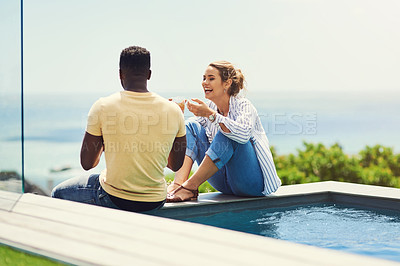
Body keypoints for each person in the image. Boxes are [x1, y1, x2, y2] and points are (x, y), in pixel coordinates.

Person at [52, 46, 186, 212]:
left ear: (120, 74)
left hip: (115, 198)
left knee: (58, 193)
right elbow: (175, 165)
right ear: (149, 74)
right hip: (155, 200)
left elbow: (87, 163)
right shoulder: (174, 110)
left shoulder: (103, 106)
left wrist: (106, 138)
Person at [167, 61, 281, 202]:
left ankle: (189, 187)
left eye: (211, 78)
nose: (205, 83)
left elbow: (243, 134)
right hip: (224, 183)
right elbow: (189, 135)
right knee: (191, 125)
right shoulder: (210, 106)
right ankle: (178, 185)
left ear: (226, 84)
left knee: (228, 133)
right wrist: (175, 115)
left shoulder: (243, 105)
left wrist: (211, 115)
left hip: (251, 184)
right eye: (204, 78)